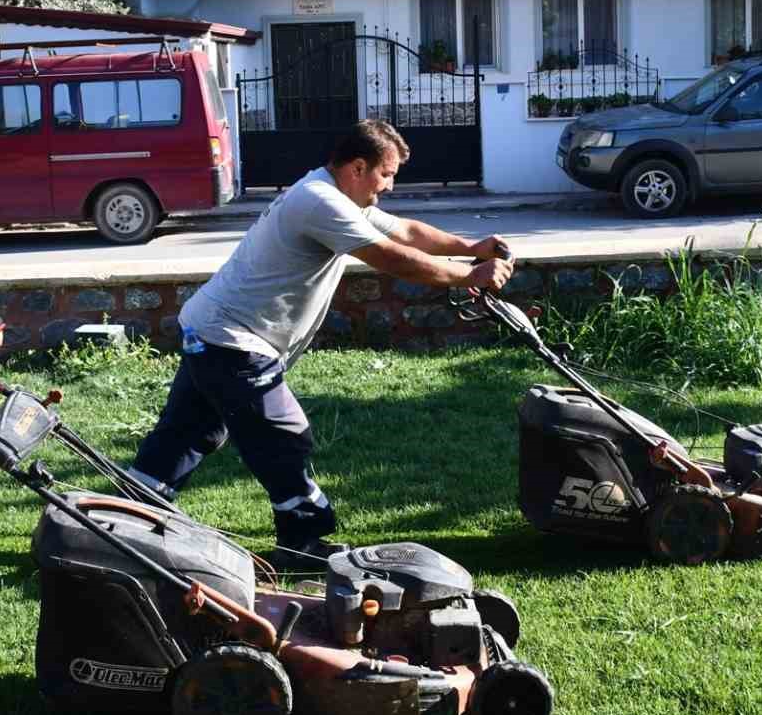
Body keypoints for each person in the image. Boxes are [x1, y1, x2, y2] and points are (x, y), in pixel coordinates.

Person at [130, 119, 513, 572]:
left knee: (188, 432)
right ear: (357, 166)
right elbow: (389, 257)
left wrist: (471, 246)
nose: (389, 185)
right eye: (386, 174)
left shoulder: (336, 195)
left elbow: (405, 233)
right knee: (285, 436)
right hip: (232, 339)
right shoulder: (320, 201)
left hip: (212, 328)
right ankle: (302, 542)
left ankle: (124, 525)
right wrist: (468, 275)